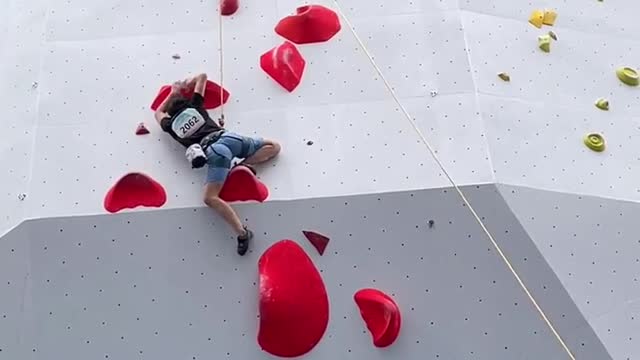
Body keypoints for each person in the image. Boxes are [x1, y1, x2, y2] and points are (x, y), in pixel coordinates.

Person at [154, 73, 281, 255]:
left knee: (210, 198)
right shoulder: (195, 106)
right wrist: (182, 87)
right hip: (229, 138)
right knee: (273, 146)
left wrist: (171, 93)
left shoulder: (170, 125)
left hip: (215, 152)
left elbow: (157, 113)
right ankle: (243, 165)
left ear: (171, 113)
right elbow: (202, 76)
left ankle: (242, 233)